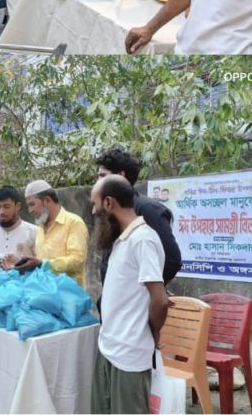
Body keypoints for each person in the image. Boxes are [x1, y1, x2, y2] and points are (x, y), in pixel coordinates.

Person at [90, 176, 168, 415]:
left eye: (95, 204)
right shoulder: (123, 239)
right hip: (108, 348)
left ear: (109, 203)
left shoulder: (143, 240)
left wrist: (152, 334)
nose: (93, 211)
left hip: (130, 355)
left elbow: (160, 300)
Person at [95, 148, 180, 284]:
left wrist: (140, 290)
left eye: (103, 175)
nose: (98, 182)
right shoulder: (110, 209)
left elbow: (171, 261)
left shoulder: (149, 210)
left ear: (121, 176)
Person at [20, 180, 89, 287]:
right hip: (45, 292)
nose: (30, 210)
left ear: (47, 200)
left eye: (32, 204)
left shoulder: (74, 223)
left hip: (69, 294)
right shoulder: (40, 228)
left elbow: (77, 260)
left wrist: (44, 264)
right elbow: (40, 260)